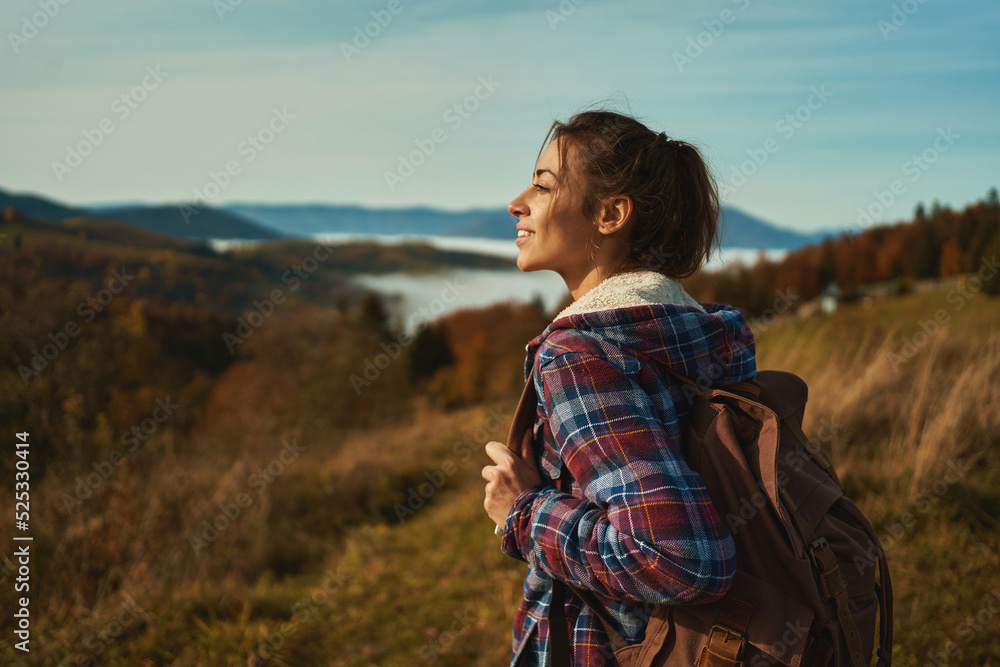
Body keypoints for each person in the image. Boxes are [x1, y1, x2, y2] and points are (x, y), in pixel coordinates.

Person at [481, 110, 757, 666]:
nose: (517, 202)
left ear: (611, 214)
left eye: (542, 184)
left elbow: (679, 558)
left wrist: (523, 511)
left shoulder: (582, 356)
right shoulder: (700, 334)